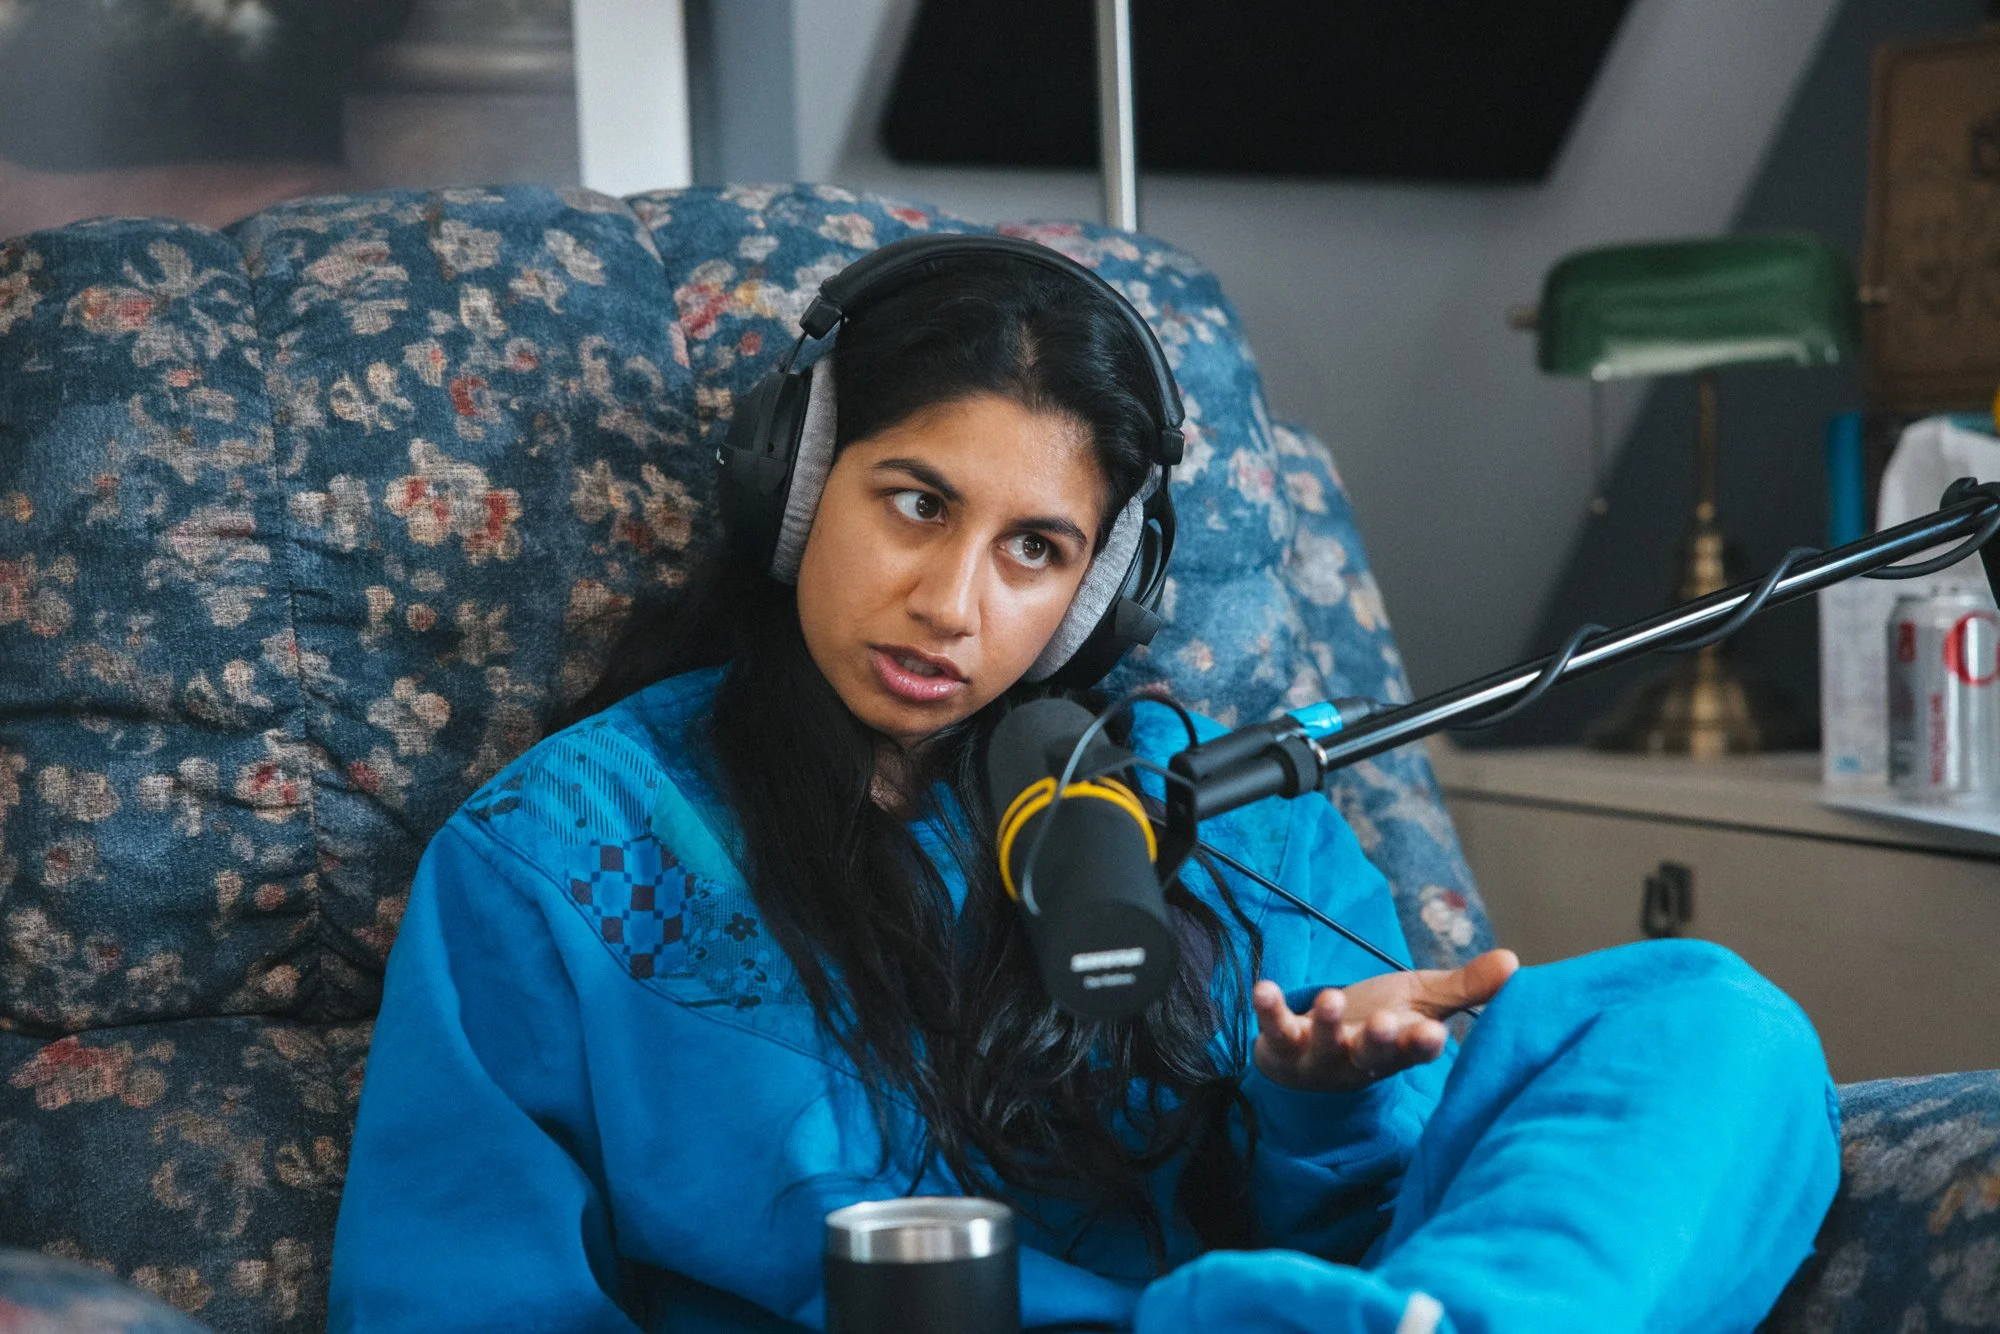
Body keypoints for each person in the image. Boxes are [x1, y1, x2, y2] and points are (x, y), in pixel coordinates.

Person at [327, 237, 1840, 1333]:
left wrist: (1322, 1111)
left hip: (1332, 1312)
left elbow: (1373, 1219)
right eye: (914, 503)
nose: (952, 604)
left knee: (1705, 1013)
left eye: (1034, 549)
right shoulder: (550, 857)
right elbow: (453, 1296)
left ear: (1101, 590)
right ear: (796, 482)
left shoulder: (1220, 809)